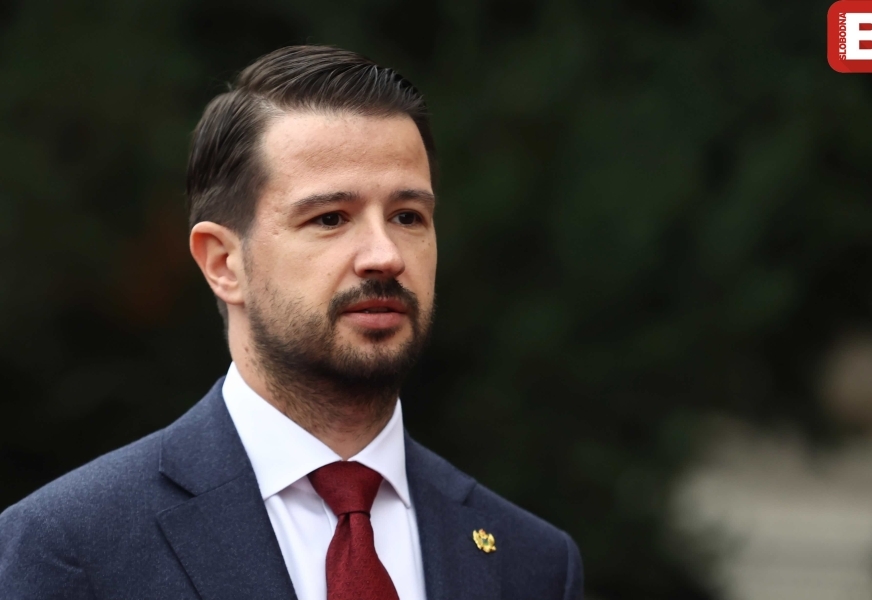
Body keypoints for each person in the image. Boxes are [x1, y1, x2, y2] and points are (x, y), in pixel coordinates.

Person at [0, 45, 584, 600]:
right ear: (224, 263)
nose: (385, 255)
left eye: (408, 216)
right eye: (331, 218)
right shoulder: (70, 548)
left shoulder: (532, 562)